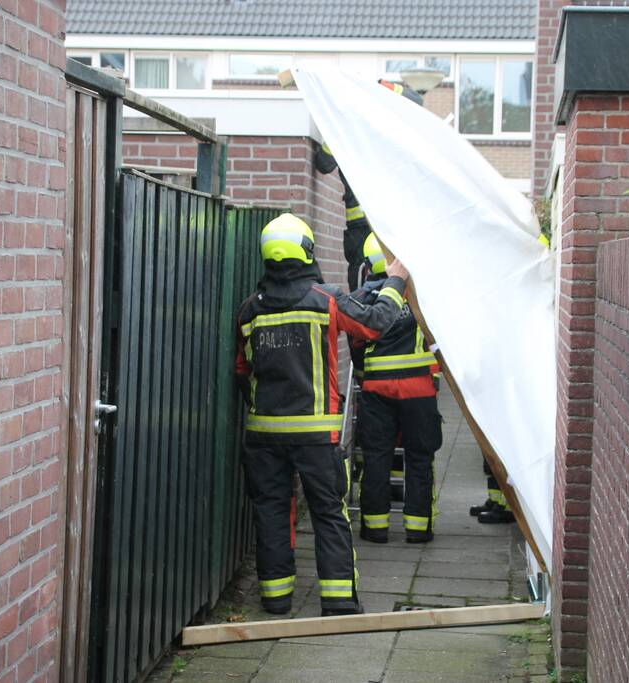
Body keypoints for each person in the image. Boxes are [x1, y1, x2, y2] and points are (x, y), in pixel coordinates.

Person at [235, 213, 409, 617]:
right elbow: (377, 324)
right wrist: (396, 280)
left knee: (273, 513)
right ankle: (338, 602)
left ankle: (276, 600)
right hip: (318, 438)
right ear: (307, 250)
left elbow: (241, 373)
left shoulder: (249, 311)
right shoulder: (325, 300)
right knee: (329, 514)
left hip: (263, 436)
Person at [352, 233, 442, 544]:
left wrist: (366, 377)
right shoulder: (420, 296)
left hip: (377, 389)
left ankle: (375, 528)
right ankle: (418, 529)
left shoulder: (362, 299)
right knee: (419, 456)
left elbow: (356, 346)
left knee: (377, 456)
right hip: (418, 389)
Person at [313, 80, 423, 290]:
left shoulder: (389, 131)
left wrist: (380, 87)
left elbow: (416, 101)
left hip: (386, 223)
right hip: (365, 225)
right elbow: (324, 163)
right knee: (367, 281)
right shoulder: (348, 130)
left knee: (396, 276)